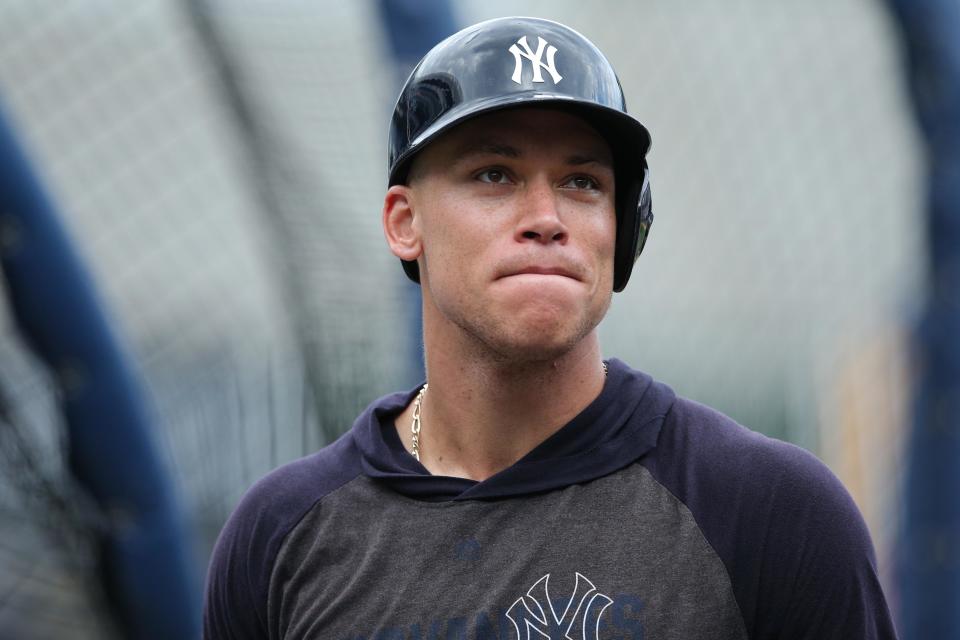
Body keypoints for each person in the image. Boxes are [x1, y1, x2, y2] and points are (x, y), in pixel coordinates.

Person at [203, 16, 898, 640]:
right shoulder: (280, 534)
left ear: (624, 230)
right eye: (495, 174)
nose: (545, 215)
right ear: (404, 223)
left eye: (582, 182)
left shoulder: (770, 510)